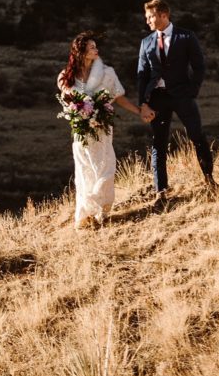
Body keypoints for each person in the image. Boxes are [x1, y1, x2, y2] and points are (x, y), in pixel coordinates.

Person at [58, 31, 154, 229]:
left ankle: (101, 209)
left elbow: (118, 98)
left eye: (96, 46)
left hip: (102, 128)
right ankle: (86, 214)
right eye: (92, 47)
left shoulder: (107, 73)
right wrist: (79, 114)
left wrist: (139, 111)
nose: (96, 50)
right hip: (82, 132)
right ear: (81, 52)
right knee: (85, 170)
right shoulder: (66, 77)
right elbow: (68, 104)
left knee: (106, 166)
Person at [137, 0, 214, 202]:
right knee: (158, 143)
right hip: (157, 98)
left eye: (150, 16)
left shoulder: (186, 36)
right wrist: (143, 103)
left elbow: (199, 66)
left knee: (197, 136)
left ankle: (209, 178)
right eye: (146, 17)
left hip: (182, 96)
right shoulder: (146, 42)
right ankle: (161, 190)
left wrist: (191, 91)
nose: (147, 21)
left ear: (163, 15)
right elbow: (142, 76)